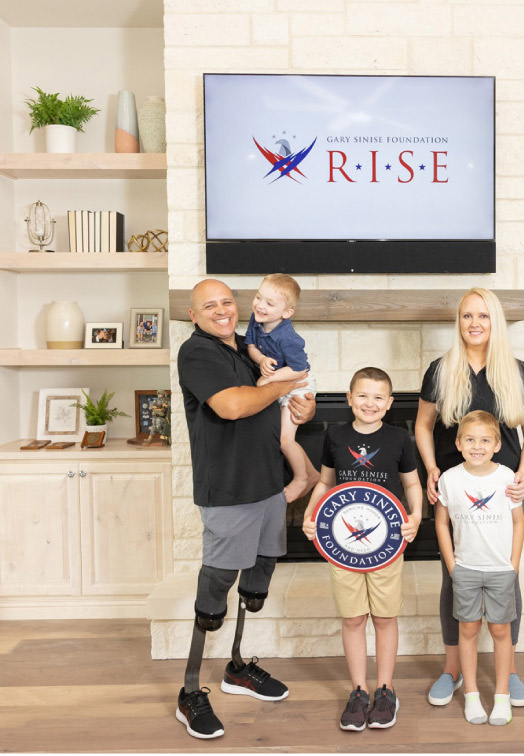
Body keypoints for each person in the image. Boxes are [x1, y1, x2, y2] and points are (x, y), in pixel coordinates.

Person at [175, 278, 315, 740]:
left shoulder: (250, 343)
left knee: (255, 581)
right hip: (228, 491)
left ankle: (236, 668)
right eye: (209, 305)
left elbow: (281, 401)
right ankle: (190, 689)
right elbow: (234, 406)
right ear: (193, 314)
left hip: (267, 486)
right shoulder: (197, 353)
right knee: (216, 586)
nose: (222, 310)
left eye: (227, 302)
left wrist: (303, 407)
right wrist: (283, 387)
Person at [415, 287, 524, 710]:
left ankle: (511, 671)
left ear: (494, 322)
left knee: (508, 574)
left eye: (483, 316)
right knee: (455, 578)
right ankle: (452, 669)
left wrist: (522, 476)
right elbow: (422, 425)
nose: (475, 323)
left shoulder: (516, 370)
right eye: (468, 315)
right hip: (455, 490)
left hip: (503, 488)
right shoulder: (441, 369)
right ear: (459, 322)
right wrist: (432, 468)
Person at [302, 367, 422, 732]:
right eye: (363, 396)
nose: (370, 403)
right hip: (343, 547)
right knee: (353, 618)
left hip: (387, 544)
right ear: (349, 398)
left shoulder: (401, 438)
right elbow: (324, 482)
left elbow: (412, 483)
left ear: (389, 403)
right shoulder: (334, 436)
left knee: (385, 617)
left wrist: (416, 516)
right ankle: (358, 690)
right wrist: (310, 515)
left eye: (378, 397)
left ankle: (385, 689)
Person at [435, 410, 524, 726]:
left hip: (500, 570)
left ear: (497, 445)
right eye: (470, 440)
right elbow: (442, 522)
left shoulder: (507, 478)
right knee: (468, 630)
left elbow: (518, 520)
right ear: (458, 443)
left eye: (485, 440)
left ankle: (501, 696)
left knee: (500, 630)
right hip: (466, 569)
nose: (477, 446)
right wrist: (452, 565)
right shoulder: (450, 479)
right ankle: (471, 694)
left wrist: (512, 566)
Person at [245, 273, 320, 502]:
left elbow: (301, 369)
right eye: (259, 297)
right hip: (280, 382)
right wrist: (260, 360)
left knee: (285, 440)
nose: (260, 305)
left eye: (269, 303)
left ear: (286, 313)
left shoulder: (288, 338)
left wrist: (270, 379)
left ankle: (301, 479)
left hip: (297, 384)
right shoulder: (256, 319)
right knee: (277, 435)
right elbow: (250, 344)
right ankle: (314, 476)